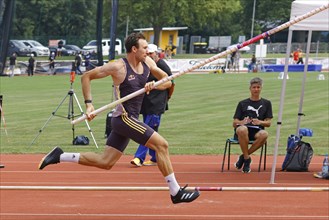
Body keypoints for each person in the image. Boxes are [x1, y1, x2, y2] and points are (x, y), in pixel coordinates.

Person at [38, 32, 200, 204]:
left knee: (105, 162)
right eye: (144, 48)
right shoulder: (118, 67)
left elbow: (168, 82)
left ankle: (60, 156)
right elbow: (87, 76)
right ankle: (175, 192)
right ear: (134, 49)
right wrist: (89, 105)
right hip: (124, 118)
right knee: (162, 145)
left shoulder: (148, 62)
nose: (148, 51)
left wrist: (155, 85)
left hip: (128, 119)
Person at [130, 43, 174, 167]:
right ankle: (155, 157)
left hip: (156, 104)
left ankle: (139, 157)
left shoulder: (161, 65)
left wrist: (156, 88)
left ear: (156, 53)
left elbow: (170, 83)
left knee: (146, 131)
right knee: (152, 131)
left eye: (151, 53)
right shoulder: (143, 65)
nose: (148, 55)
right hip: (146, 103)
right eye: (147, 53)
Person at [232, 77, 273, 173]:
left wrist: (260, 122)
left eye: (258, 87)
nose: (256, 89)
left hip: (256, 131)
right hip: (242, 130)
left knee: (264, 134)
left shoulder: (266, 103)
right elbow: (234, 123)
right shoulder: (242, 103)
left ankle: (244, 157)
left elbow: (269, 123)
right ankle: (247, 159)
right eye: (254, 87)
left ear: (261, 88)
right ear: (250, 88)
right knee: (242, 129)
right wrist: (242, 122)